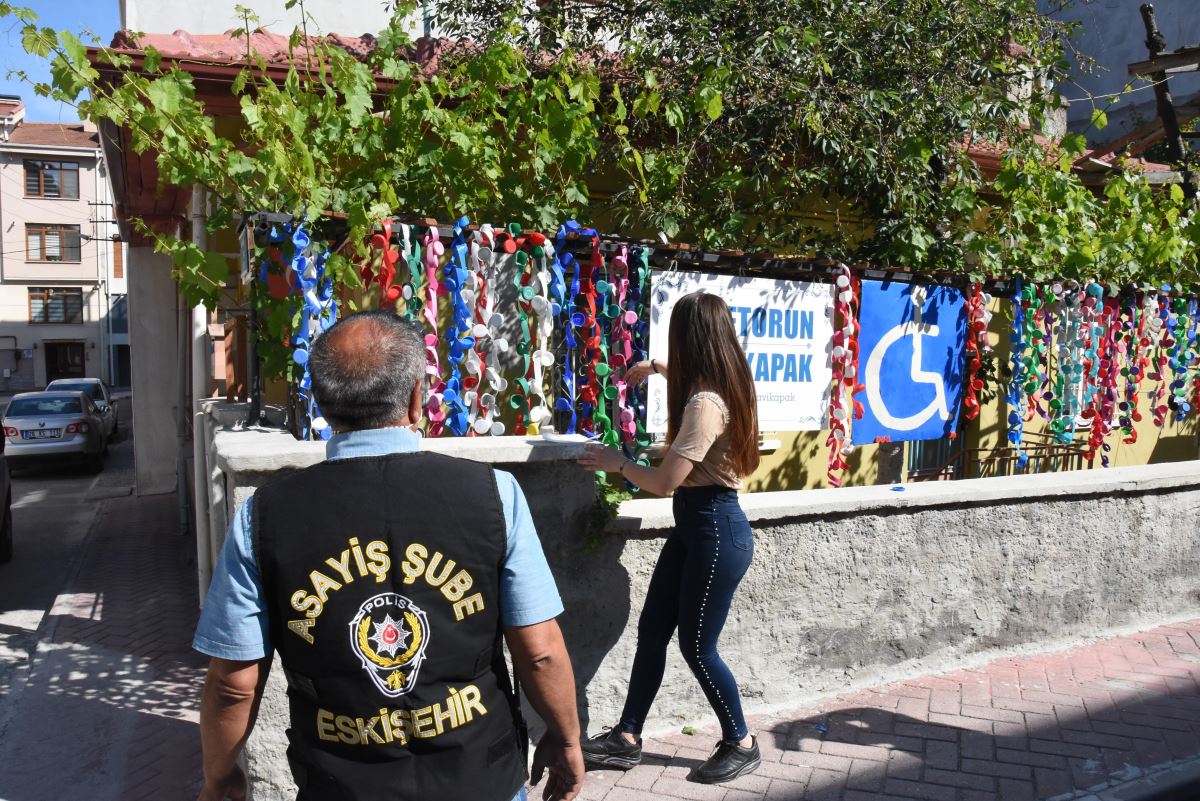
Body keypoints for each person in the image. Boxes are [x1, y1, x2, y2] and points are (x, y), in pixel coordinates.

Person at [193, 309, 584, 801]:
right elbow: (541, 650)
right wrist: (567, 737)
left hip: (342, 783)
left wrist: (221, 778)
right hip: (478, 776)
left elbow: (233, 683)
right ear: (418, 398)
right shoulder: (492, 494)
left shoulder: (264, 517)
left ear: (322, 404)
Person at [575, 291, 761, 784]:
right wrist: (653, 367)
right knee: (653, 630)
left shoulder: (704, 403)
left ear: (690, 338)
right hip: (697, 530)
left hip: (715, 532)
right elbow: (685, 374)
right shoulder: (725, 381)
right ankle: (626, 739)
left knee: (698, 647)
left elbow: (662, 483)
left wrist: (619, 464)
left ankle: (741, 740)